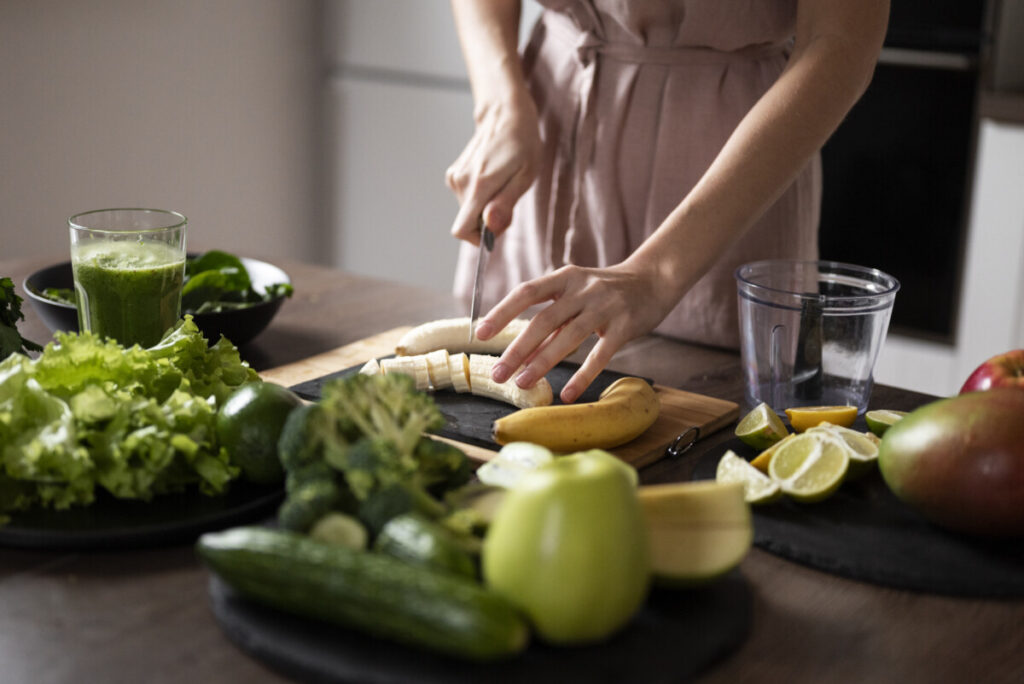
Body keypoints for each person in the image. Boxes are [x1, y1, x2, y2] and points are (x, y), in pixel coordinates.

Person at [445, 0, 889, 403]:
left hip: (733, 165)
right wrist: (499, 105)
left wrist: (657, 275)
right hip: (550, 123)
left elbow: (841, 41)